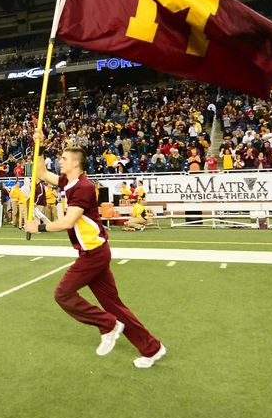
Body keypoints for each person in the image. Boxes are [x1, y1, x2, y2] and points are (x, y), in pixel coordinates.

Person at [24, 128, 166, 368]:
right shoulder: (68, 183)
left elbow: (68, 222)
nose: (60, 161)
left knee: (63, 294)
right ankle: (152, 348)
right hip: (94, 251)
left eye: (65, 159)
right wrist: (38, 144)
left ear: (76, 164)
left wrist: (38, 228)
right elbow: (39, 172)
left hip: (93, 254)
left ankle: (108, 325)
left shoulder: (84, 187)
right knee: (115, 306)